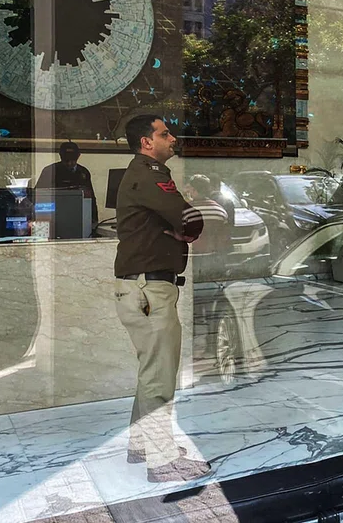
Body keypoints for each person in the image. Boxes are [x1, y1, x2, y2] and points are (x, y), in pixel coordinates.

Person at [113, 114, 211, 483]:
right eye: (164, 133)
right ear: (146, 142)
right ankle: (163, 461)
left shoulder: (142, 174)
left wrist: (179, 226)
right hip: (148, 290)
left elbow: (179, 220)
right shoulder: (150, 174)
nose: (172, 138)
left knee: (151, 372)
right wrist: (183, 226)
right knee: (159, 377)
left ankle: (141, 445)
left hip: (143, 289)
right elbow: (189, 218)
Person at [35, 141, 98, 227]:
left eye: (73, 160)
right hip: (54, 217)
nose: (69, 164)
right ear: (60, 156)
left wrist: (94, 221)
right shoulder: (50, 171)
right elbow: (38, 196)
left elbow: (91, 199)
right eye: (66, 160)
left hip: (78, 217)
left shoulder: (83, 172)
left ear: (78, 156)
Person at [183, 174, 232, 282]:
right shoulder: (220, 211)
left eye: (190, 189)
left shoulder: (185, 211)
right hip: (213, 261)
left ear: (193, 190)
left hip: (192, 260)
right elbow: (224, 239)